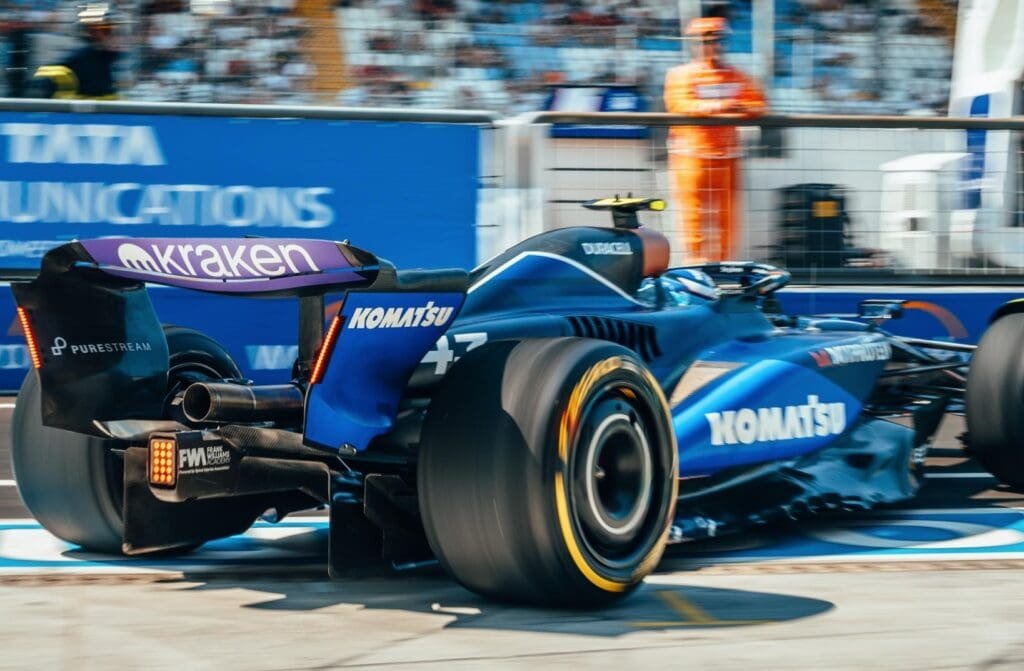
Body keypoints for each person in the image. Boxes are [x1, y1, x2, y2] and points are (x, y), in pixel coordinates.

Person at [663, 16, 767, 262]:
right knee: (693, 213)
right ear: (695, 43)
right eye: (707, 40)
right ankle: (695, 263)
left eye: (718, 40)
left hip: (728, 155)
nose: (714, 45)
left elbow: (758, 104)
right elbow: (680, 104)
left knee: (727, 214)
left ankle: (723, 264)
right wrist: (723, 106)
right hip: (691, 155)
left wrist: (731, 106)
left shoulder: (736, 76)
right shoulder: (680, 75)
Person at [33, 4, 120, 99]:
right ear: (91, 32)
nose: (111, 34)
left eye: (110, 29)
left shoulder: (109, 57)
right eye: (105, 30)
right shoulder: (78, 59)